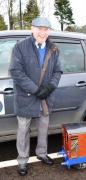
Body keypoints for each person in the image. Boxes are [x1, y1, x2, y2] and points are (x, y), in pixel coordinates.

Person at [9, 17, 62, 176]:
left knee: (43, 127)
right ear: (32, 29)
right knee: (23, 130)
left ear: (49, 31)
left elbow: (58, 71)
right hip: (26, 97)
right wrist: (35, 90)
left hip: (46, 97)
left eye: (46, 29)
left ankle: (42, 153)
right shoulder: (20, 47)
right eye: (39, 28)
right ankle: (23, 161)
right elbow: (16, 72)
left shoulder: (53, 48)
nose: (42, 32)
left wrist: (50, 87)